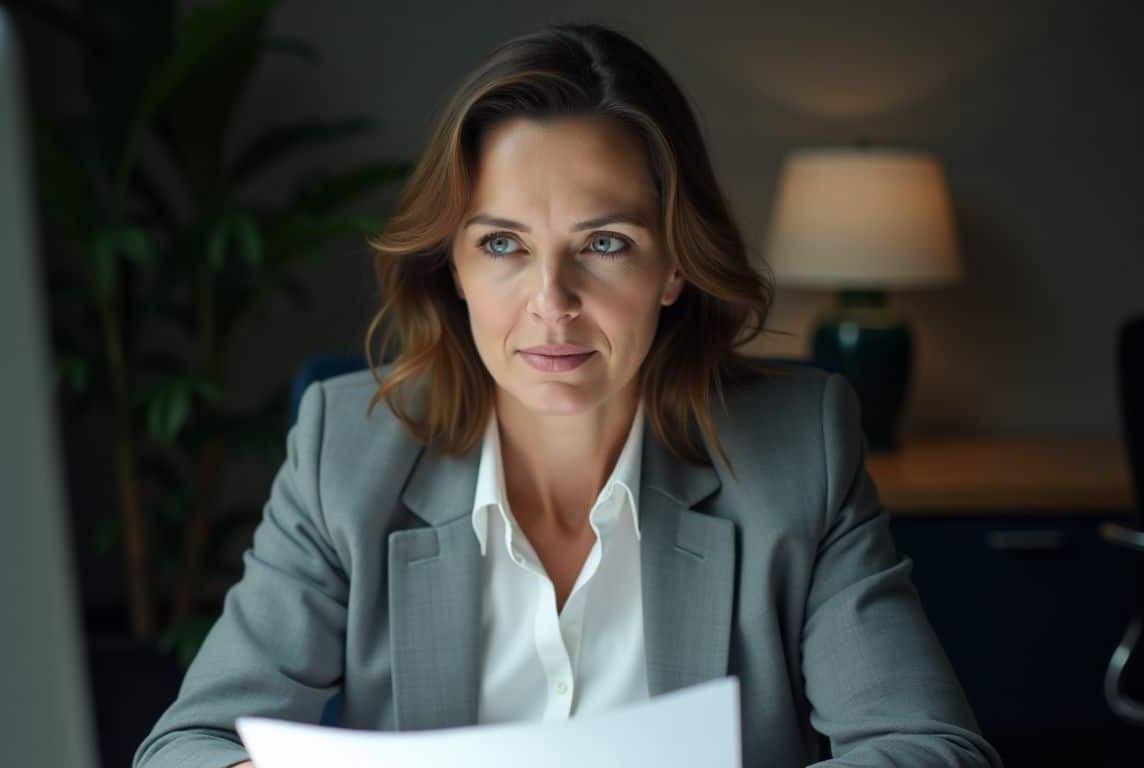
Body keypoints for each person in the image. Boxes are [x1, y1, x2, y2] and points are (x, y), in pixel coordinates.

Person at [133, 22, 1002, 768]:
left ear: (671, 267)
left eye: (606, 243)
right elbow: (187, 744)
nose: (552, 301)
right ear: (455, 267)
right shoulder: (345, 450)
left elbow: (931, 747)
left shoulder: (795, 450)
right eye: (504, 243)